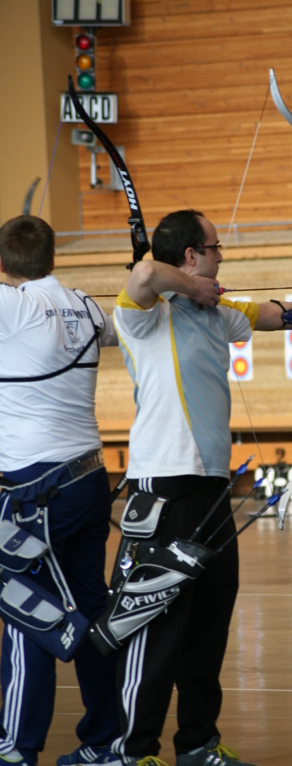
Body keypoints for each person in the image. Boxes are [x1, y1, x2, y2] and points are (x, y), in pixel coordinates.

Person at [111, 209, 292, 766]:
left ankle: (197, 742)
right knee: (156, 623)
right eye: (215, 247)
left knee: (209, 623)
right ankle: (132, 751)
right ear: (190, 255)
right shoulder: (145, 314)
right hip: (163, 487)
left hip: (212, 489)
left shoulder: (218, 312)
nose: (222, 256)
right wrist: (190, 286)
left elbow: (274, 314)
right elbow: (145, 274)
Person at [0, 216, 121, 766]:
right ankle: (106, 742)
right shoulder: (87, 308)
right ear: (52, 256)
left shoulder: (14, 306)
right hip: (90, 478)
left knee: (26, 609)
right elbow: (119, 327)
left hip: (38, 488)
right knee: (88, 605)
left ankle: (16, 749)